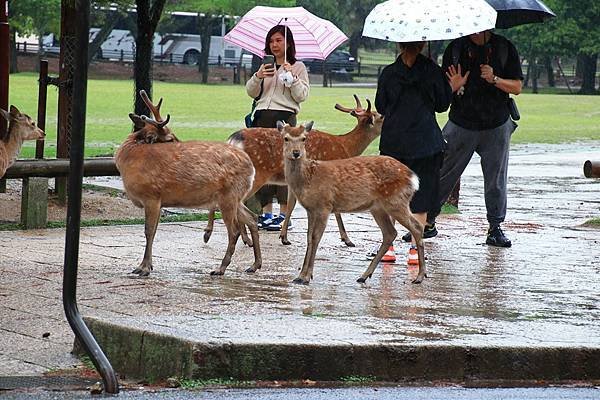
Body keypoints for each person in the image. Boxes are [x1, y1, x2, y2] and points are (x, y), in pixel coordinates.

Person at [403, 31, 523, 247]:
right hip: (461, 123)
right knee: (440, 172)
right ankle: (427, 221)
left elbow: (517, 87)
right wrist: (454, 87)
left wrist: (494, 79)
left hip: (496, 124)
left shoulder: (504, 48)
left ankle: (495, 227)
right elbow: (444, 88)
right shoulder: (455, 49)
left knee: (496, 178)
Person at [374, 41, 467, 264]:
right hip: (425, 143)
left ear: (399, 44)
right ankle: (416, 250)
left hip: (394, 143)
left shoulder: (389, 73)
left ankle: (388, 248)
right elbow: (442, 105)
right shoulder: (432, 71)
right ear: (424, 44)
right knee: (421, 197)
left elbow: (381, 106)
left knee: (391, 195)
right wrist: (452, 86)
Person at [245, 24, 310, 231]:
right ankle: (266, 213)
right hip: (262, 120)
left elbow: (302, 96)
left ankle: (284, 215)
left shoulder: (297, 66)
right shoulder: (265, 66)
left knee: (285, 166)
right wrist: (258, 76)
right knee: (261, 166)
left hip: (285, 122)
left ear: (288, 43)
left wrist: (293, 78)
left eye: (279, 40)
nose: (274, 44)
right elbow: (251, 93)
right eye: (271, 41)